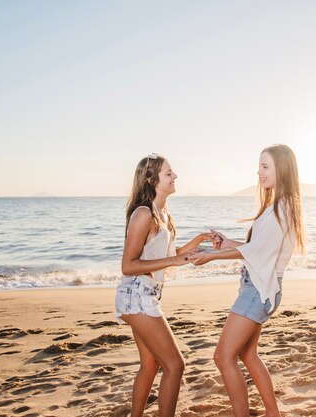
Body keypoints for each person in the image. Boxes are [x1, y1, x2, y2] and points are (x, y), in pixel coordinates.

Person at [188, 144, 305, 417]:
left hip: (258, 289)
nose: (259, 173)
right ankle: (273, 414)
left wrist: (211, 256)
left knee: (223, 356)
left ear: (281, 169)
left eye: (265, 167)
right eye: (259, 167)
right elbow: (259, 247)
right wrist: (226, 243)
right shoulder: (278, 205)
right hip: (261, 287)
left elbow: (257, 251)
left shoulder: (282, 207)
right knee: (247, 355)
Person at [115, 153, 214, 417]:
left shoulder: (163, 215)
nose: (175, 176)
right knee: (175, 365)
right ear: (152, 180)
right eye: (169, 173)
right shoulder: (143, 214)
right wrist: (175, 259)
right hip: (136, 296)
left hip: (147, 295)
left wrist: (199, 240)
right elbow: (128, 265)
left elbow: (169, 255)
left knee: (149, 364)